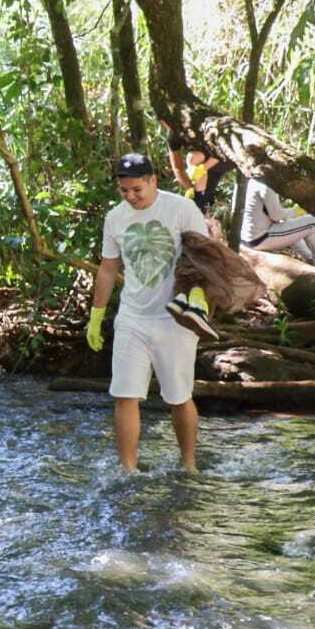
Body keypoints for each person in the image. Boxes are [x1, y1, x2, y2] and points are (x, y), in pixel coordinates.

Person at [84, 153, 209, 474]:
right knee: (125, 395)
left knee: (178, 396)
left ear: (154, 180)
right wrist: (97, 314)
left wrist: (199, 297)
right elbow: (109, 268)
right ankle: (128, 470)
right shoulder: (115, 218)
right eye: (124, 191)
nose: (131, 197)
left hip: (176, 317)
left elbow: (205, 258)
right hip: (132, 318)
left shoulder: (181, 209)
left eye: (137, 189)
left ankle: (188, 465)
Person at [239, 177, 315, 268]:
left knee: (289, 224)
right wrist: (296, 211)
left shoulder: (251, 181)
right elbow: (276, 215)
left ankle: (309, 258)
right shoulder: (266, 185)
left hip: (247, 239)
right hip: (260, 238)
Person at [163, 119, 236, 216]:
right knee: (201, 204)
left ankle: (200, 201)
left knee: (193, 158)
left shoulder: (194, 121)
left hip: (227, 154)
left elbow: (221, 150)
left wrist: (202, 169)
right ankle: (203, 213)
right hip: (210, 166)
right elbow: (178, 168)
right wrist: (189, 187)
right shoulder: (172, 136)